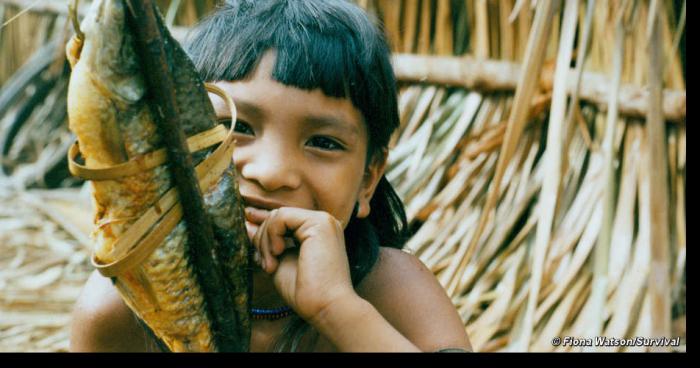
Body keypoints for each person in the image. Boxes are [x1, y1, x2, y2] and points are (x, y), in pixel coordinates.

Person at [70, 0, 472, 352]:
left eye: (324, 142)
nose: (272, 172)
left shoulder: (390, 290)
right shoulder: (120, 312)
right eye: (238, 127)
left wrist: (335, 308)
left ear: (368, 178)